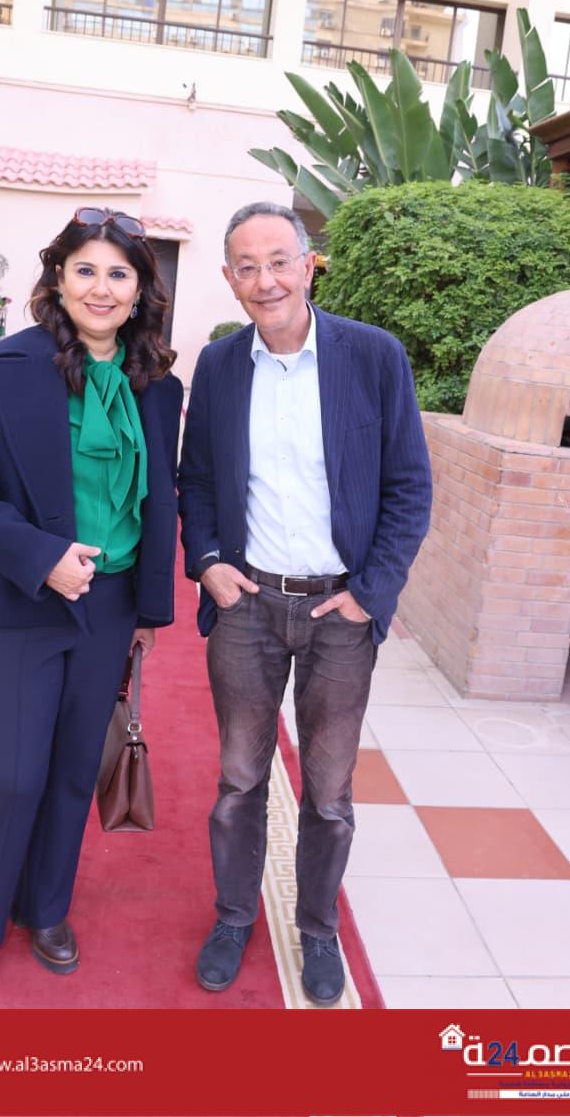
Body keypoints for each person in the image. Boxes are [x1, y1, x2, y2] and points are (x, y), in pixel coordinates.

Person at [178, 202, 432, 1006]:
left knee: (327, 790)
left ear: (309, 264)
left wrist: (370, 593)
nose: (266, 281)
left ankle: (317, 928)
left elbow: (408, 486)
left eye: (279, 261)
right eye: (247, 267)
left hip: (337, 615)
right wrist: (207, 563)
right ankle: (232, 917)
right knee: (238, 778)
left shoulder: (371, 356)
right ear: (229, 278)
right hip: (247, 605)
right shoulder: (220, 366)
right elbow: (196, 481)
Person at [0, 208, 183, 1008]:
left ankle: (44, 909)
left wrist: (147, 610)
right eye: (86, 271)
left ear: (140, 289)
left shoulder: (159, 386)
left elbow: (161, 503)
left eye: (118, 273)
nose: (101, 288)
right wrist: (42, 558)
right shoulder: (5, 368)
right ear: (59, 279)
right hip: (16, 602)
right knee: (11, 777)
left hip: (108, 609)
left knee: (75, 768)